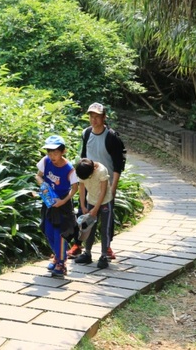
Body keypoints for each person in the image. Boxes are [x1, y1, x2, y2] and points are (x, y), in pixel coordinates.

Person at [67, 102, 125, 260]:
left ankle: (107, 248)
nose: (94, 120)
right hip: (88, 181)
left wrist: (113, 187)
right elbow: (83, 157)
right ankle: (78, 245)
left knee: (106, 218)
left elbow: (118, 165)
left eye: (97, 117)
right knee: (83, 214)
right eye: (91, 116)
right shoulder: (86, 133)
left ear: (104, 117)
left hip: (105, 183)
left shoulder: (112, 137)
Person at [35, 135, 79, 278]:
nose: (52, 156)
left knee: (59, 234)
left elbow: (75, 188)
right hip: (48, 202)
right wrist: (44, 185)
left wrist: (63, 201)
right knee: (47, 230)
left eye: (55, 153)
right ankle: (58, 256)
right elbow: (38, 176)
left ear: (63, 151)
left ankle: (61, 264)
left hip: (63, 206)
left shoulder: (69, 169)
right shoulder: (45, 161)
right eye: (50, 153)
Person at [73, 158, 112, 269]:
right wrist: (82, 205)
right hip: (91, 201)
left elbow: (103, 191)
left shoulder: (101, 170)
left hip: (104, 202)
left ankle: (104, 256)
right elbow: (81, 188)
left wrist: (96, 208)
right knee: (88, 229)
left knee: (105, 229)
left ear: (93, 169)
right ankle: (87, 253)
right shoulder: (83, 170)